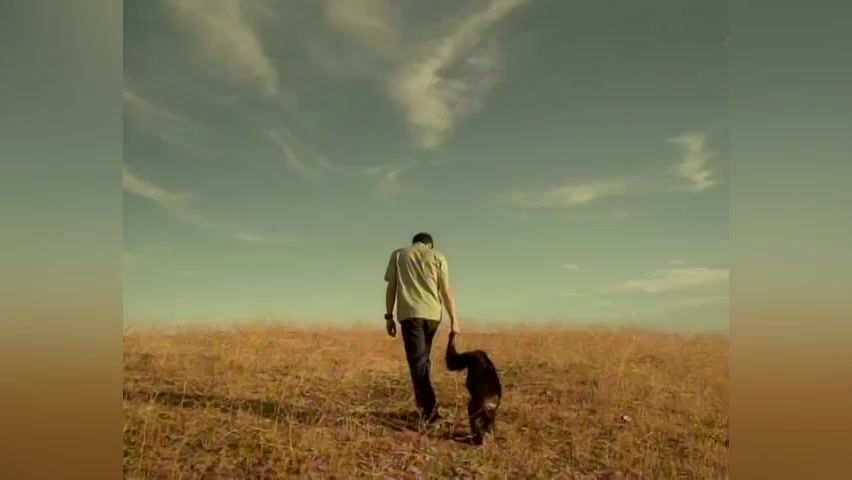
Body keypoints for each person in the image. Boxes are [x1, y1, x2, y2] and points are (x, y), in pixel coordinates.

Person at [383, 232, 460, 424]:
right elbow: (446, 290)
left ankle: (431, 411)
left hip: (410, 313)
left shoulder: (399, 254)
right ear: (430, 245)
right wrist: (454, 319)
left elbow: (391, 287)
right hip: (433, 315)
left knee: (417, 361)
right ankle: (424, 408)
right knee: (423, 360)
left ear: (414, 242)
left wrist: (389, 316)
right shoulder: (438, 256)